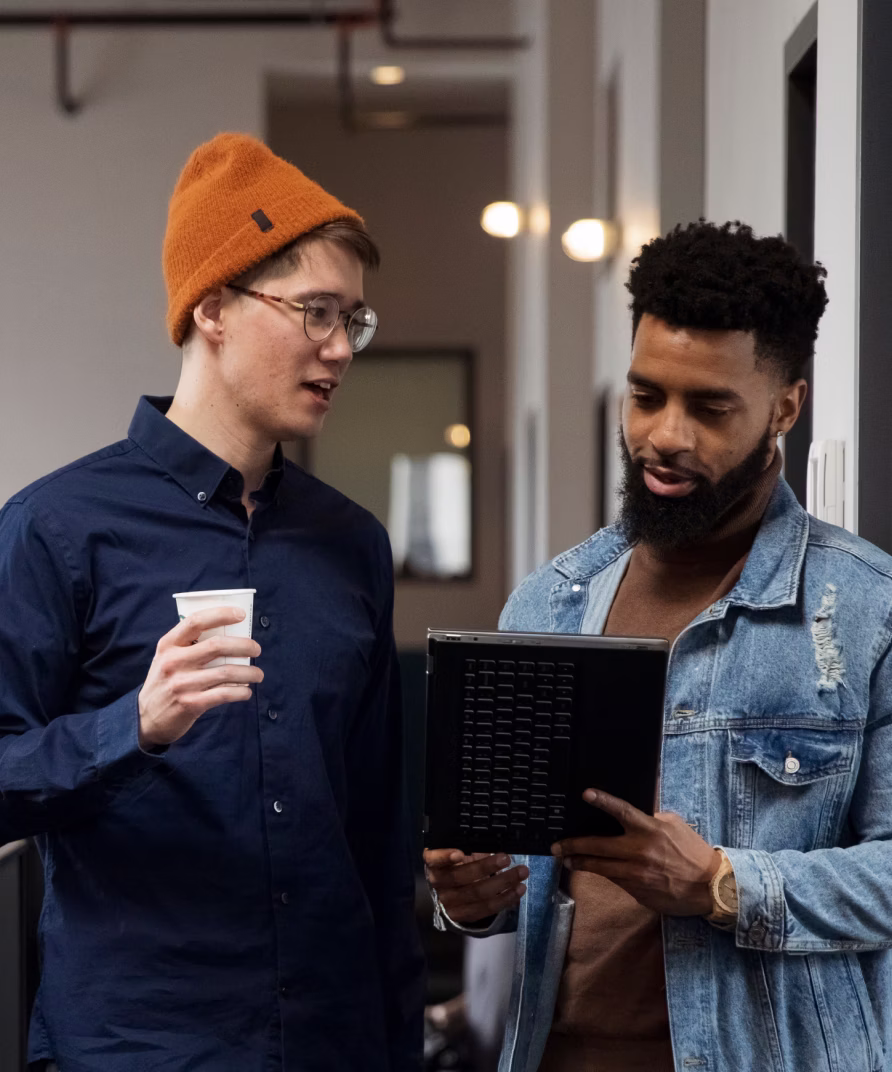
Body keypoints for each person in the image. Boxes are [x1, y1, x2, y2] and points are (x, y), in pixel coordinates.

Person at [0, 132, 424, 1072]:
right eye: (316, 311)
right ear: (214, 307)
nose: (338, 348)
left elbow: (378, 839)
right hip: (138, 1046)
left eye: (353, 320)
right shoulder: (55, 529)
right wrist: (132, 728)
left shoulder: (352, 545)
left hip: (330, 1042)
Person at [426, 220, 892, 1072]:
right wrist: (471, 900)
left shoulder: (867, 611)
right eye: (646, 396)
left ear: (786, 405)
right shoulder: (549, 602)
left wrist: (721, 883)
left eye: (710, 408)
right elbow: (516, 885)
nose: (665, 437)